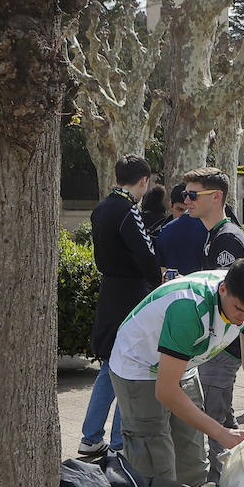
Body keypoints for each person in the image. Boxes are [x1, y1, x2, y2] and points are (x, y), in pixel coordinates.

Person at [107, 258, 244, 484]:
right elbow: (166, 391)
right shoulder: (188, 307)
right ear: (223, 289)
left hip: (183, 363)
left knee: (194, 459)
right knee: (154, 460)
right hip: (138, 365)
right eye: (239, 309)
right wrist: (221, 432)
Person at [80, 155, 163, 457]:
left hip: (110, 290)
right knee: (130, 365)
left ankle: (91, 435)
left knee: (109, 365)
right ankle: (118, 441)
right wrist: (159, 283)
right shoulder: (128, 209)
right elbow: (145, 253)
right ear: (143, 181)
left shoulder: (102, 208)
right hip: (131, 293)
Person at [180, 167, 244, 480]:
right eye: (186, 194)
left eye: (193, 195)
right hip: (220, 343)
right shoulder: (218, 236)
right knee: (224, 419)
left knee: (213, 421)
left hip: (224, 344)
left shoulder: (227, 239)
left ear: (217, 197)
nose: (186, 200)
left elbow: (232, 298)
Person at [156, 183, 206, 280]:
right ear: (170, 205)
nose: (184, 214)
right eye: (180, 209)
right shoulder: (163, 231)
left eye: (188, 210)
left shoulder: (165, 231)